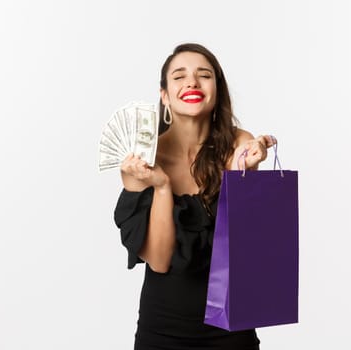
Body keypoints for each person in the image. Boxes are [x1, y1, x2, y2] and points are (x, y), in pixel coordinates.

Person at [114, 43, 275, 350]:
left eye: (204, 75)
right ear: (165, 96)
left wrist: (247, 174)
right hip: (163, 330)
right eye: (179, 76)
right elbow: (159, 261)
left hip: (231, 327)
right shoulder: (142, 159)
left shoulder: (239, 144)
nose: (192, 83)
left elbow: (245, 248)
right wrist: (162, 187)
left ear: (217, 90)